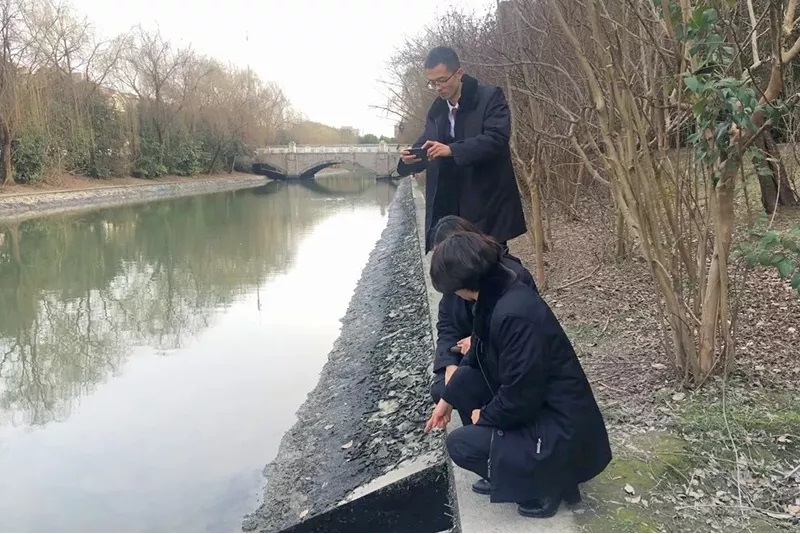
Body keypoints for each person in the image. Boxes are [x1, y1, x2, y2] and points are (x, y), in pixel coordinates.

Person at [424, 232, 612, 519]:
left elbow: (521, 396)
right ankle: (508, 466)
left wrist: (485, 416)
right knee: (459, 382)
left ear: (460, 282)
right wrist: (446, 401)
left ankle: (548, 485)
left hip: (560, 426)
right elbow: (478, 352)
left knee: (461, 444)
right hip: (536, 407)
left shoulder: (514, 314)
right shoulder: (495, 293)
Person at [396, 46, 526, 252]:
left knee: (490, 264)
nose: (438, 88)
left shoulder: (490, 97)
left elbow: (496, 139)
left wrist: (453, 150)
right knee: (455, 268)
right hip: (448, 211)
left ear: (459, 73)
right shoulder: (436, 111)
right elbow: (427, 144)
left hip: (487, 205)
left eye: (442, 80)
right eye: (432, 83)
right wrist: (409, 159)